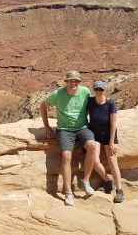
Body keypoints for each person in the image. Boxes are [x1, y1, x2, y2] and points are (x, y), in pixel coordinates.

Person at [41, 70, 100, 206]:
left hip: (82, 128)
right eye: (71, 81)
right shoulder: (58, 94)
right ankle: (68, 192)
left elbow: (90, 108)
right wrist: (46, 126)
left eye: (76, 81)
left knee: (92, 146)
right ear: (66, 82)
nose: (73, 83)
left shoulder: (85, 91)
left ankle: (85, 181)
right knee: (66, 155)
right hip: (64, 129)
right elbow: (43, 105)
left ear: (79, 82)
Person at [87, 80, 124, 203]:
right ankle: (108, 182)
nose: (98, 91)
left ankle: (119, 190)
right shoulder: (90, 101)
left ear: (104, 90)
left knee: (113, 162)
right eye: (96, 89)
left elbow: (113, 124)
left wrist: (112, 142)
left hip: (109, 136)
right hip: (95, 135)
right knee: (94, 160)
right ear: (93, 90)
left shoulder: (110, 103)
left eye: (101, 89)